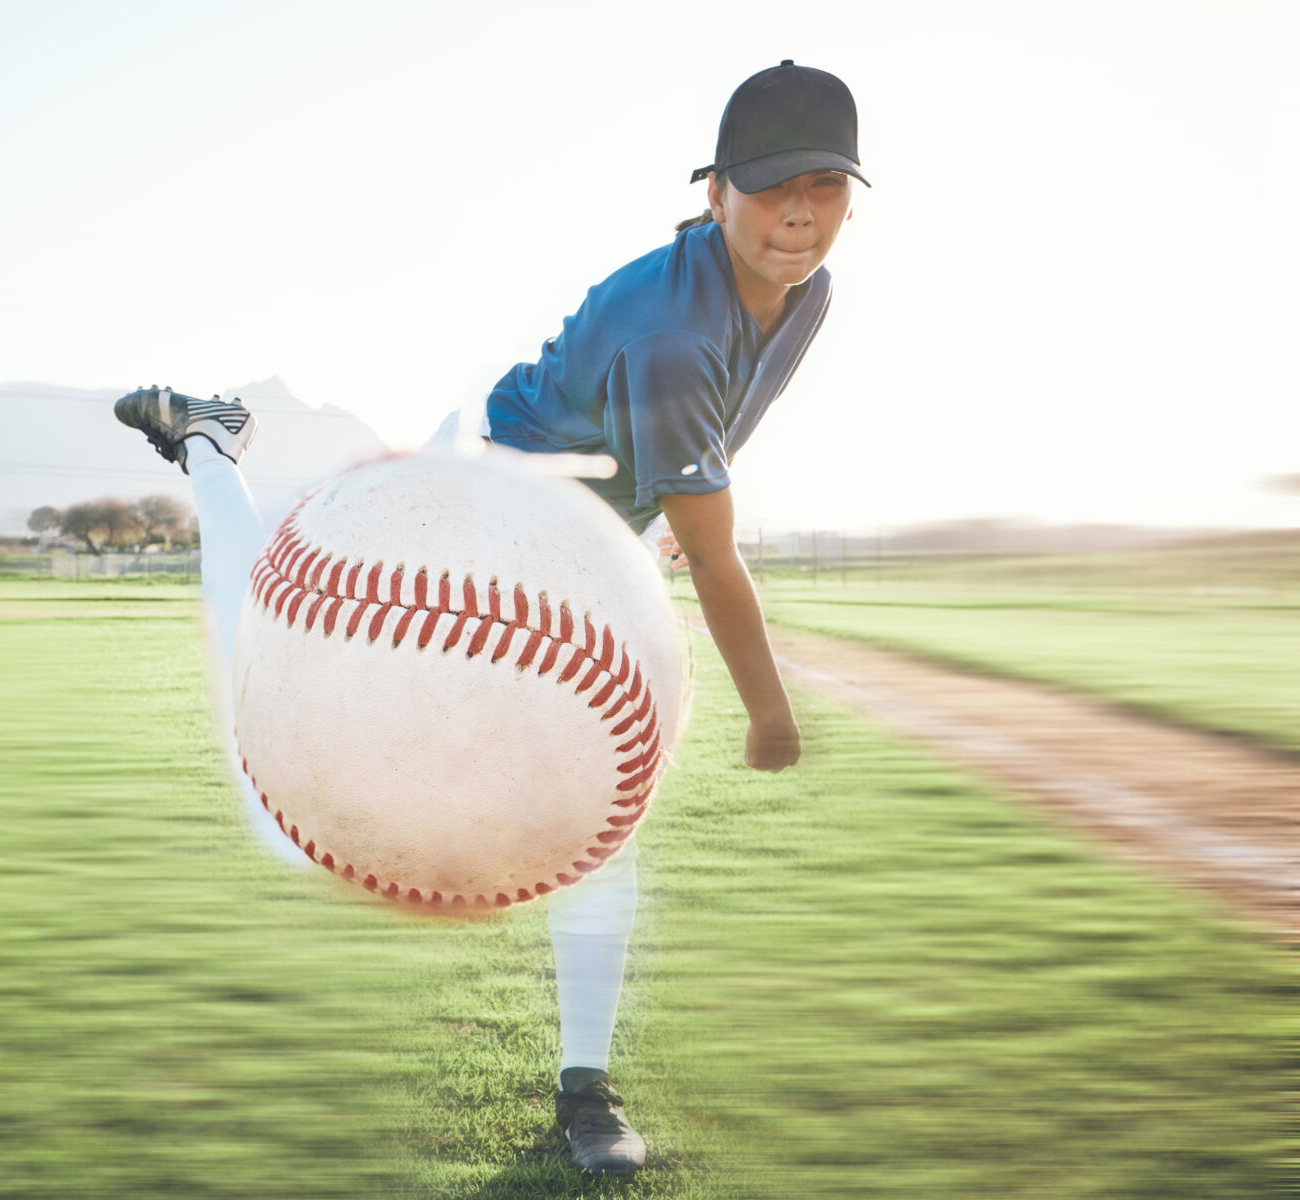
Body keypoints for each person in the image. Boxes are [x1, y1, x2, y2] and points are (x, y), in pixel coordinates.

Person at [113, 59, 866, 1176]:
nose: (799, 214)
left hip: (586, 537)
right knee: (275, 771)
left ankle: (583, 1090)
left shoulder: (805, 288)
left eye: (824, 183)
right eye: (768, 188)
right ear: (712, 193)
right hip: (480, 506)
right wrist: (767, 712)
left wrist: (645, 509)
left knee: (597, 815)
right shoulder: (669, 333)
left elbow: (699, 468)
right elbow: (715, 554)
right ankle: (213, 453)